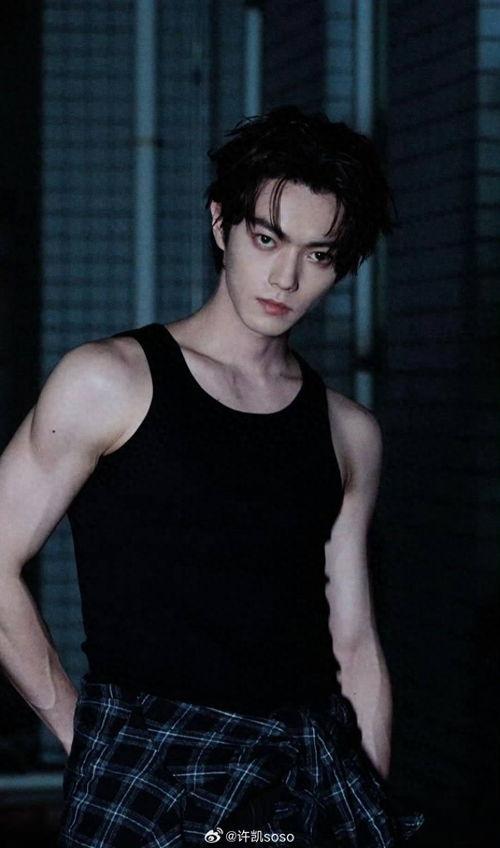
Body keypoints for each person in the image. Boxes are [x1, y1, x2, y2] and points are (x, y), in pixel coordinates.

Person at [0, 106, 424, 846]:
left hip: (303, 766)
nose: (286, 276)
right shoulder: (108, 381)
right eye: (267, 238)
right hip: (151, 764)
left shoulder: (349, 432)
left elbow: (354, 641)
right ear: (220, 222)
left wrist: (370, 807)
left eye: (319, 255)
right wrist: (83, 735)